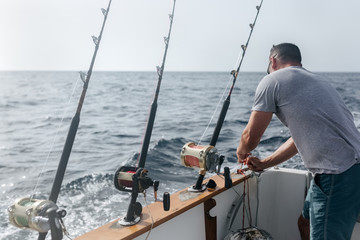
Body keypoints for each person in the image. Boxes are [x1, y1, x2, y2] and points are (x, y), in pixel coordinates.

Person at [236, 43, 360, 240]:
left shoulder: (272, 80)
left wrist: (242, 152)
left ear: (272, 61)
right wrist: (264, 163)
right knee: (305, 223)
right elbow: (297, 140)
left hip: (336, 175)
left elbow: (250, 137)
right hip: (348, 171)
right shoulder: (318, 81)